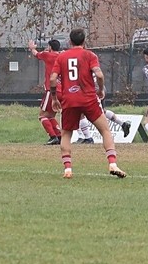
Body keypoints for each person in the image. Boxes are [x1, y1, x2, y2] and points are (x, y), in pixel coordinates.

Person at [50, 28, 126, 179]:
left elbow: (52, 79)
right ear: (84, 41)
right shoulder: (90, 55)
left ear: (70, 41)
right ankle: (112, 163)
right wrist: (101, 89)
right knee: (105, 130)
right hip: (88, 98)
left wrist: (54, 98)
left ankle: (67, 169)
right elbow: (99, 74)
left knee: (66, 134)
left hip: (69, 99)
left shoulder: (62, 57)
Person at [28, 38, 62, 145]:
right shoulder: (62, 56)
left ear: (50, 47)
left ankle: (52, 136)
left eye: (48, 46)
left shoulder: (48, 55)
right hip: (62, 91)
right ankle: (59, 136)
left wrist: (32, 48)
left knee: (42, 116)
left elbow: (36, 54)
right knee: (51, 116)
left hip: (51, 90)